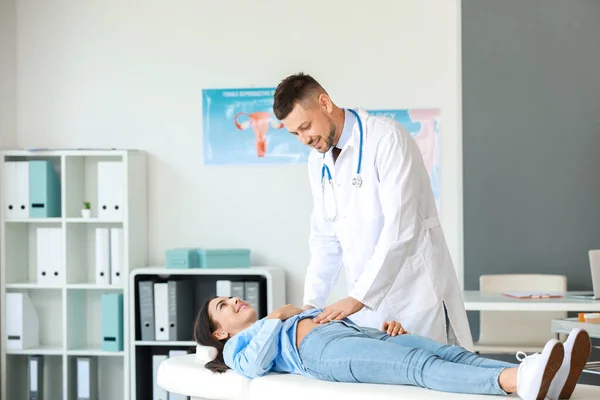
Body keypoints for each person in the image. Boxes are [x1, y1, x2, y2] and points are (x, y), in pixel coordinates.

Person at [272, 73, 471, 347]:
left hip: (414, 297)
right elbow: (324, 239)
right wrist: (312, 306)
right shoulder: (318, 162)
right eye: (295, 133)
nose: (304, 139)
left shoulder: (387, 139)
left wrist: (358, 297)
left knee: (433, 378)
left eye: (305, 127)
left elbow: (401, 228)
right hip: (367, 310)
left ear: (325, 102)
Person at [193, 297, 592, 400]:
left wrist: (380, 328)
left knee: (450, 351)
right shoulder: (237, 350)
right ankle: (516, 379)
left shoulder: (271, 322)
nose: (232, 303)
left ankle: (547, 381)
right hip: (321, 353)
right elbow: (255, 367)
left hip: (355, 335)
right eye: (222, 308)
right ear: (220, 333)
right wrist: (276, 317)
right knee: (417, 365)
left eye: (229, 298)